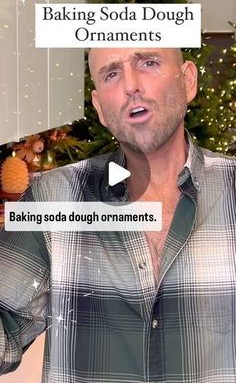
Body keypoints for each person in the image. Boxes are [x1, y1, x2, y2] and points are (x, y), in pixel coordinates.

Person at [0, 47, 235, 383]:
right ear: (101, 110)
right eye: (112, 74)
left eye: (149, 63)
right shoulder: (52, 200)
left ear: (188, 81)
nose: (131, 85)